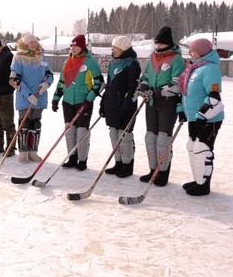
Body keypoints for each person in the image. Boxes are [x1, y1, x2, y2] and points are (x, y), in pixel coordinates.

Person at [137, 26, 185, 186]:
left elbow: (176, 82)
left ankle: (162, 173)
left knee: (163, 140)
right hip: (151, 102)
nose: (157, 47)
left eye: (160, 44)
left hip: (167, 103)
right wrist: (144, 86)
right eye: (156, 44)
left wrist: (159, 91)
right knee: (151, 138)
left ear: (167, 44)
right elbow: (145, 76)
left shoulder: (176, 59)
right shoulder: (152, 57)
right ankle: (153, 171)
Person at [179, 38, 224, 196]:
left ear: (202, 51)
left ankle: (203, 185)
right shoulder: (194, 68)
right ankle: (198, 180)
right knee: (192, 147)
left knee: (202, 149)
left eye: (193, 50)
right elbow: (185, 93)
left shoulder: (210, 69)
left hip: (208, 119)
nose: (190, 53)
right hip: (193, 117)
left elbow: (214, 97)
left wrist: (201, 116)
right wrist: (181, 110)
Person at [52, 34, 103, 170]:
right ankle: (72, 157)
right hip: (68, 101)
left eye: (76, 46)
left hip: (83, 101)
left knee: (81, 132)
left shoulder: (90, 62)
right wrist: (56, 99)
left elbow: (99, 82)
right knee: (70, 131)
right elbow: (62, 82)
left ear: (82, 47)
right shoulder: (67, 62)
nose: (73, 49)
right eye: (72, 46)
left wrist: (90, 98)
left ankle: (82, 160)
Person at [100, 36, 141, 177]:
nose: (113, 50)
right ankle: (118, 162)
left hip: (125, 105)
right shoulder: (113, 63)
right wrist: (103, 103)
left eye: (115, 48)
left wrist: (127, 104)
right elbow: (109, 85)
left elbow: (133, 87)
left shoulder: (132, 64)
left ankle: (127, 165)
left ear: (123, 48)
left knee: (124, 136)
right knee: (114, 134)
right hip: (112, 104)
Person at [9, 33, 54, 163]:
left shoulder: (41, 56)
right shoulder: (18, 58)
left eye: (35, 42)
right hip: (25, 98)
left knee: (35, 124)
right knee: (24, 124)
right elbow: (14, 79)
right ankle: (23, 152)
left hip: (40, 96)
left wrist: (47, 83)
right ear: (25, 44)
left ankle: (33, 151)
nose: (34, 44)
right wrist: (28, 94)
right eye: (31, 42)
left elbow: (49, 74)